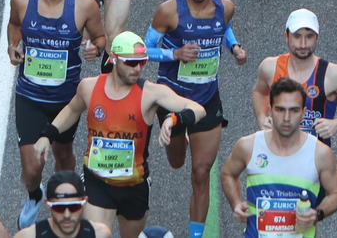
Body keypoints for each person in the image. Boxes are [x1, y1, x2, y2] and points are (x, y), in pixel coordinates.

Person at [30, 31, 207, 238]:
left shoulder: (150, 93)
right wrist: (47, 135)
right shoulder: (89, 87)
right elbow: (72, 110)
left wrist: (173, 119)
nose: (138, 69)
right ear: (113, 58)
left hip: (134, 186)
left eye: (142, 62)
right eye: (131, 63)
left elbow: (198, 109)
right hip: (97, 181)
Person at [8, 0, 109, 229]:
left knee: (63, 155)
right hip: (29, 95)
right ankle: (34, 195)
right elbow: (14, 25)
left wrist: (95, 48)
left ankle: (66, 204)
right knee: (31, 169)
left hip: (66, 100)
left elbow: (100, 38)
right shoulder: (22, 0)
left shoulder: (84, 5)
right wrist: (12, 46)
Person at [148, 0, 248, 238]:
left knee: (201, 171)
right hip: (172, 99)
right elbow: (142, 50)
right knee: (177, 162)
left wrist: (235, 47)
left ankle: (195, 235)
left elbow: (223, 28)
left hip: (207, 99)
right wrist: (174, 54)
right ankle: (182, 135)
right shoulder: (168, 12)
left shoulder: (225, 7)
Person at [220, 77, 337, 236]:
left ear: (303, 113)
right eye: (280, 109)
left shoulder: (320, 153)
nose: (286, 118)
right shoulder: (248, 146)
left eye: (294, 110)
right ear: (270, 110)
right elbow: (228, 174)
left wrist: (318, 214)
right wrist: (236, 203)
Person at [250, 8, 337, 142]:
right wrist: (261, 117)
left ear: (317, 38)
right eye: (297, 36)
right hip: (276, 153)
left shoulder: (332, 74)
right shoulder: (270, 67)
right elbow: (260, 92)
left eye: (309, 37)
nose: (303, 44)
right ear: (286, 36)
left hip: (315, 159)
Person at [11, 172, 110, 238]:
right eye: (59, 208)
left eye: (73, 207)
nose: (67, 215)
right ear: (48, 204)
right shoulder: (28, 236)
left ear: (84, 203)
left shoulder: (100, 234)